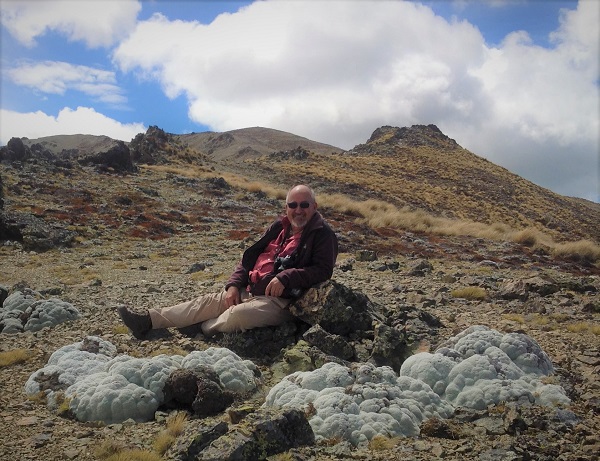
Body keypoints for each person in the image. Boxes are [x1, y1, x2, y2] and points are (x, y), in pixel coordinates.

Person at [118, 184, 338, 339]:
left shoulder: (322, 233)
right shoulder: (278, 228)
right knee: (204, 302)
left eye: (304, 205)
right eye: (293, 205)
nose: (298, 210)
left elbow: (323, 270)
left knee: (238, 315)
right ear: (286, 208)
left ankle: (205, 328)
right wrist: (234, 285)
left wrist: (286, 277)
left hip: (281, 302)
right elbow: (249, 259)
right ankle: (147, 321)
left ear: (314, 206)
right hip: (249, 289)